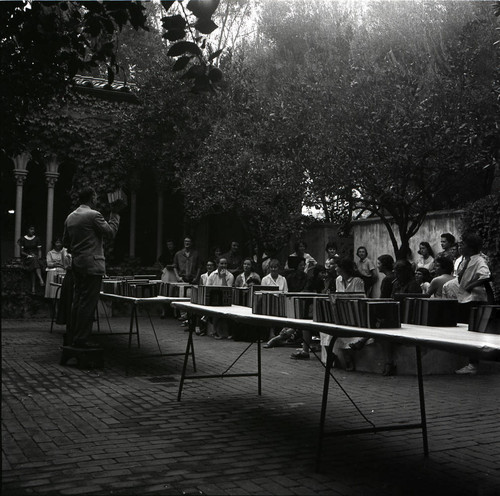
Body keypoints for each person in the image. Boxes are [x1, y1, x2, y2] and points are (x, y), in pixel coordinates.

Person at [62, 186, 122, 348]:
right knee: (88, 303)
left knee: (78, 301)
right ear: (91, 198)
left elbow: (66, 242)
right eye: (95, 196)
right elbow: (110, 233)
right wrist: (115, 214)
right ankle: (82, 338)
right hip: (92, 266)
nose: (96, 199)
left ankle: (73, 335)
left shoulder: (70, 217)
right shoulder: (93, 215)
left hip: (78, 264)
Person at [454, 233, 491, 375]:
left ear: (470, 247)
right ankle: (470, 362)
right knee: (468, 331)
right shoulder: (465, 260)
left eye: (462, 244)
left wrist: (471, 285)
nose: (460, 247)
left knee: (473, 332)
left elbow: (486, 276)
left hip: (475, 299)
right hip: (464, 298)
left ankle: (473, 364)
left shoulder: (479, 260)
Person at [207, 258, 234, 339]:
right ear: (218, 264)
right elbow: (208, 288)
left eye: (225, 264)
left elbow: (227, 291)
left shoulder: (230, 276)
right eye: (221, 263)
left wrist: (223, 278)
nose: (223, 266)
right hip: (213, 300)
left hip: (226, 300)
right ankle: (215, 331)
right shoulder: (212, 275)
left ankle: (225, 332)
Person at [19, 225, 45, 293]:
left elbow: (39, 250)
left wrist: (39, 257)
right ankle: (40, 279)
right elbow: (22, 252)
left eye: (33, 229)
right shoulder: (23, 239)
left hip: (35, 258)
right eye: (31, 229)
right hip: (27, 258)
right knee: (34, 261)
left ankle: (33, 287)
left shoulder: (37, 239)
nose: (32, 231)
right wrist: (28, 255)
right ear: (27, 230)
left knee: (34, 263)